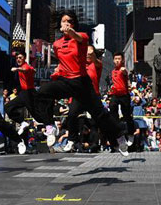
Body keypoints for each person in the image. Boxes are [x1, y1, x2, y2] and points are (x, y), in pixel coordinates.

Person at [35, 10, 129, 155]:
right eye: (64, 21)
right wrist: (58, 71)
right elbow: (62, 63)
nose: (66, 23)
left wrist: (71, 31)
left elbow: (77, 36)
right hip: (65, 81)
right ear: (59, 24)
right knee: (42, 92)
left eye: (70, 21)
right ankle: (50, 127)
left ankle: (119, 136)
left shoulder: (82, 38)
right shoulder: (56, 44)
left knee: (99, 115)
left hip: (81, 82)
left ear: (74, 24)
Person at [63, 45, 103, 152]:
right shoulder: (78, 65)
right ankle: (72, 140)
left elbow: (98, 62)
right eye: (86, 52)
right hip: (79, 96)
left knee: (95, 122)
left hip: (93, 96)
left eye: (90, 53)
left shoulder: (96, 65)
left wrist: (92, 55)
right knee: (71, 115)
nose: (88, 55)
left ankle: (94, 144)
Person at [4, 51, 44, 142]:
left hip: (30, 93)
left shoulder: (26, 66)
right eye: (17, 58)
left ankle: (50, 126)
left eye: (20, 57)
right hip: (23, 93)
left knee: (37, 116)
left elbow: (26, 70)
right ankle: (22, 122)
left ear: (25, 58)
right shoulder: (23, 66)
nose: (18, 59)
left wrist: (17, 69)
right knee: (8, 107)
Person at [108, 52, 135, 146]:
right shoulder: (112, 71)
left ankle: (131, 133)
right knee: (112, 108)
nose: (117, 60)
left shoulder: (123, 70)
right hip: (115, 95)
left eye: (119, 59)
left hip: (124, 95)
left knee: (127, 115)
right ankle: (119, 132)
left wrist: (124, 70)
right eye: (115, 59)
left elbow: (125, 72)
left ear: (122, 60)